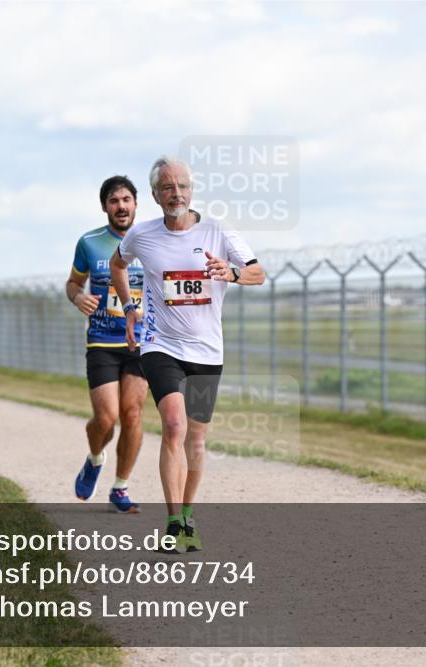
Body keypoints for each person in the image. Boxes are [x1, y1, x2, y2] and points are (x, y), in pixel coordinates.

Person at [111, 156, 265, 552]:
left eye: (181, 186)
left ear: (191, 190)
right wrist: (130, 308)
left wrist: (229, 273)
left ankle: (189, 516)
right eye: (167, 187)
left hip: (207, 351)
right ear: (156, 196)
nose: (175, 193)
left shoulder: (217, 231)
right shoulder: (142, 235)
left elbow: (257, 272)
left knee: (196, 440)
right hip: (160, 344)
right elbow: (118, 264)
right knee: (175, 426)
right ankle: (174, 521)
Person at [67, 175, 149, 513]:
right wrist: (78, 298)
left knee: (132, 414)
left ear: (135, 204)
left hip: (141, 343)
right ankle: (95, 458)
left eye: (126, 199)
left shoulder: (151, 240)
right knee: (106, 418)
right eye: (114, 201)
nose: (121, 206)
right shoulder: (89, 243)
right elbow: (73, 284)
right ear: (105, 207)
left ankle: (120, 486)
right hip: (102, 342)